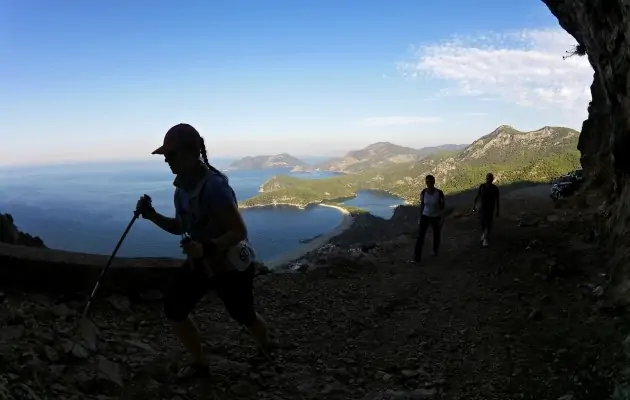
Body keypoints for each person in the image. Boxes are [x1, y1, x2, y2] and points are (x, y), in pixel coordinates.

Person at [135, 123, 271, 379]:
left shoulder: (214, 187)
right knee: (175, 310)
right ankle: (199, 364)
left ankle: (266, 346)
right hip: (200, 263)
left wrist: (206, 246)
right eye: (165, 155)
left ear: (190, 152)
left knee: (243, 314)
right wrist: (151, 215)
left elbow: (238, 232)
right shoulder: (182, 189)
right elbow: (179, 227)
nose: (166, 159)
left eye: (170, 154)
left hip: (229, 266)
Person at [414, 174, 445, 263]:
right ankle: (417, 256)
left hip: (435, 217)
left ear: (434, 182)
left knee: (436, 235)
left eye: (431, 181)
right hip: (425, 216)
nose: (429, 183)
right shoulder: (423, 192)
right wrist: (420, 216)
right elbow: (422, 205)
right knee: (420, 236)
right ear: (425, 183)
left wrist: (442, 218)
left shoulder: (439, 193)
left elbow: (443, 206)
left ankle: (435, 251)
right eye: (427, 182)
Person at [472, 172, 500, 248]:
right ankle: (485, 235)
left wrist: (497, 210)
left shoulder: (495, 188)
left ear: (492, 179)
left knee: (488, 224)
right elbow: (477, 196)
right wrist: (474, 207)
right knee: (483, 223)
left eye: (489, 178)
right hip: (482, 209)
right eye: (487, 178)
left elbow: (497, 200)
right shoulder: (482, 186)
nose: (488, 180)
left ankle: (485, 239)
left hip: (490, 209)